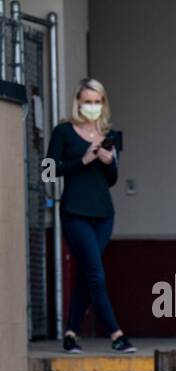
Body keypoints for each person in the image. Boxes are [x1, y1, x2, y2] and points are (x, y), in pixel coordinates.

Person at [47, 78, 134, 353]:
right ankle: (117, 334)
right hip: (75, 212)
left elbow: (110, 180)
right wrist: (82, 160)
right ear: (78, 103)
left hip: (104, 214)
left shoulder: (108, 134)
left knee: (89, 273)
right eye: (88, 102)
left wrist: (108, 162)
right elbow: (48, 171)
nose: (93, 107)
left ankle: (71, 334)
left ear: (103, 104)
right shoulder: (63, 132)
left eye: (97, 102)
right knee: (96, 274)